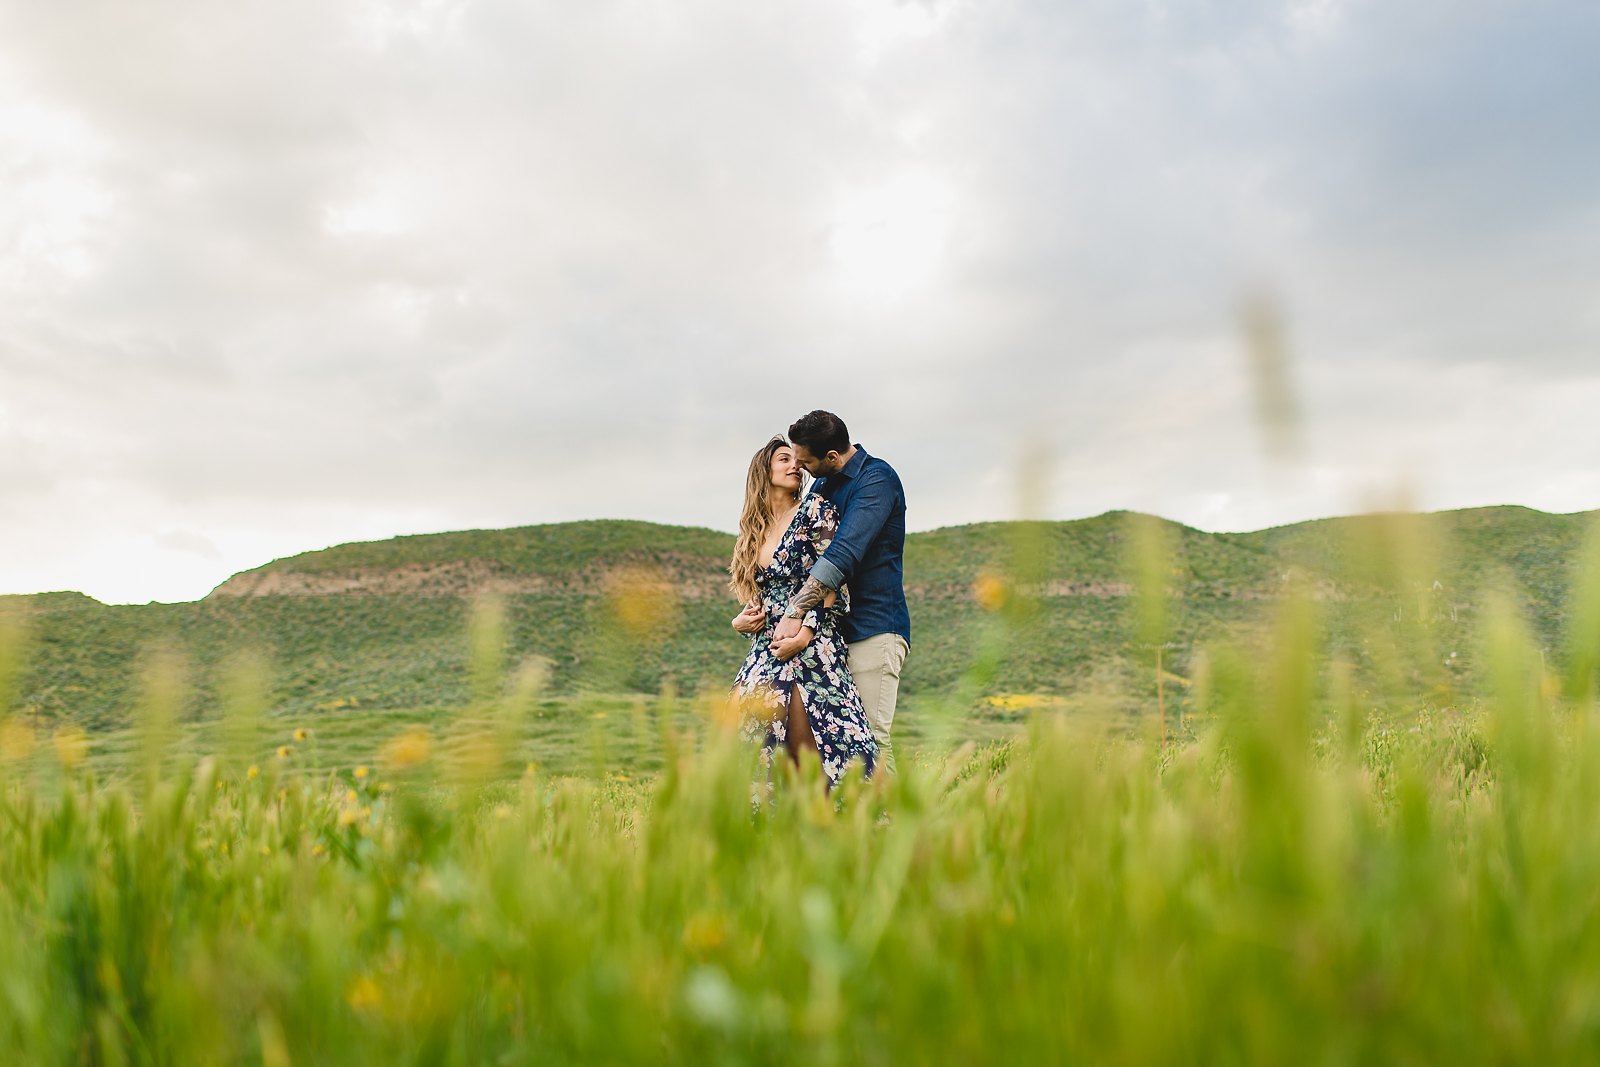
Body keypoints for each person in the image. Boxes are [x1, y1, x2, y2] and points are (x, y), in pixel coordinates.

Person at [728, 436, 877, 787]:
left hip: (813, 638)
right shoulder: (754, 531)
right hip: (766, 647)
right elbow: (754, 597)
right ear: (764, 471)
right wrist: (740, 623)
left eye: (797, 460)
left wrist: (805, 633)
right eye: (784, 459)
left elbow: (833, 582)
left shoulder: (816, 510)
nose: (794, 464)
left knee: (818, 742)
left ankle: (841, 826)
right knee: (747, 735)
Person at [771, 411, 909, 773]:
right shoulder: (822, 486)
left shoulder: (876, 479)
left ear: (832, 456)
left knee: (870, 741)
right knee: (832, 742)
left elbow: (842, 554)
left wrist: (794, 612)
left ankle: (901, 825)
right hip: (831, 636)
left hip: (873, 628)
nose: (800, 468)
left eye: (805, 461)